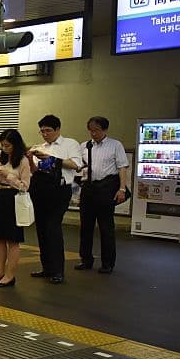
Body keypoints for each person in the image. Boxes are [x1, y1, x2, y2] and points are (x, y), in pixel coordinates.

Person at [27, 115, 83, 284]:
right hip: (40, 190)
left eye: (48, 131)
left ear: (58, 129)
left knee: (53, 228)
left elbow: (76, 165)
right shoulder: (40, 147)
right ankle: (47, 267)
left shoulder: (70, 144)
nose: (45, 134)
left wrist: (52, 159)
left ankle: (58, 270)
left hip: (59, 190)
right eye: (42, 131)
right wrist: (30, 158)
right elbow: (34, 171)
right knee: (42, 229)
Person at [76, 116, 129, 275]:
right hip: (88, 188)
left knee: (106, 227)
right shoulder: (84, 146)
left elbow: (122, 167)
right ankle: (86, 259)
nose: (93, 134)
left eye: (97, 130)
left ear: (105, 130)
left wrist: (122, 189)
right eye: (91, 130)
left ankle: (108, 263)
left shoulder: (115, 145)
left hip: (106, 188)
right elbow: (78, 165)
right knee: (85, 226)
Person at [0, 129, 31, 288]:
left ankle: (10, 275)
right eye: (2, 145)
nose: (4, 148)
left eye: (8, 145)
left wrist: (7, 175)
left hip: (13, 199)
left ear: (16, 145)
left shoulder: (23, 160)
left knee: (13, 239)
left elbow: (24, 186)